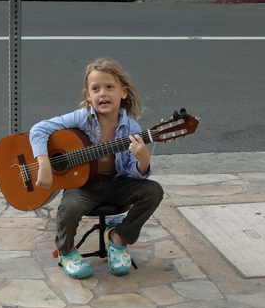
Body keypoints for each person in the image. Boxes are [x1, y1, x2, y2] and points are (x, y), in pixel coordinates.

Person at [30, 59, 164, 279]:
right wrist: (44, 163)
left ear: (124, 93)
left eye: (110, 87)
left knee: (154, 191)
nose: (103, 93)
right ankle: (66, 252)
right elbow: (39, 129)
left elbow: (132, 170)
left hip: (117, 184)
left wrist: (143, 161)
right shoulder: (81, 118)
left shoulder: (132, 128)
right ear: (88, 96)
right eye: (96, 89)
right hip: (84, 185)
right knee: (69, 208)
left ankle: (118, 238)